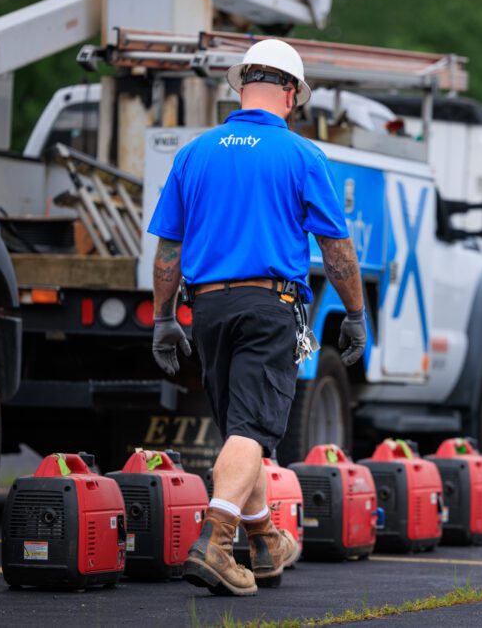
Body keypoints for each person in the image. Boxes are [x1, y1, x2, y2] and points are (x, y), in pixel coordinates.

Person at [146, 38, 367, 596]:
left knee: (241, 431)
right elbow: (337, 250)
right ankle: (216, 542)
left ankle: (266, 540)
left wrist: (164, 319)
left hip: (209, 308)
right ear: (290, 94)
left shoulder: (195, 153)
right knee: (252, 429)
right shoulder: (300, 155)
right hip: (271, 306)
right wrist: (356, 314)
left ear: (242, 86)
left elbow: (167, 252)